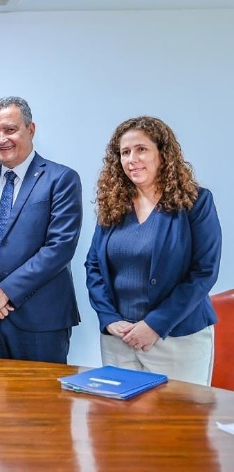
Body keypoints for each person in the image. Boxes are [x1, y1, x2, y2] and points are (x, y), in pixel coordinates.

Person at [85, 116, 221, 385]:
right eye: (125, 152)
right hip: (119, 340)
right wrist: (109, 318)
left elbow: (204, 272)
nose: (131, 159)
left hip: (178, 338)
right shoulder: (114, 205)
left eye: (141, 149)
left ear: (163, 154)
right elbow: (94, 267)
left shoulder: (196, 202)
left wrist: (155, 325)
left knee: (178, 424)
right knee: (123, 425)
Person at [0, 96, 82, 363]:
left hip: (41, 321)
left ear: (30, 130)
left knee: (41, 403)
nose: (1, 139)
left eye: (10, 130)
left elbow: (60, 247)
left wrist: (6, 292)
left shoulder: (61, 179)